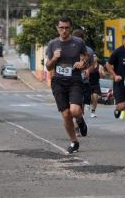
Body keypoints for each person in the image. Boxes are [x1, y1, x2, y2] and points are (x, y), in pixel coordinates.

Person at [46, 16, 89, 153]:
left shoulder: (78, 42)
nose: (64, 30)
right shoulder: (52, 44)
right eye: (61, 28)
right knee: (65, 114)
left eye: (66, 28)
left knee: (75, 111)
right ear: (57, 29)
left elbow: (86, 57)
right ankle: (74, 142)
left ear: (70, 28)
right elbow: (48, 67)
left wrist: (82, 63)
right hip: (58, 82)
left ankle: (80, 121)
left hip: (74, 80)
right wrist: (54, 58)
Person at [72, 29, 94, 137]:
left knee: (79, 105)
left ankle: (77, 127)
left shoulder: (89, 51)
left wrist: (88, 70)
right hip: (70, 81)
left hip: (83, 81)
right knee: (71, 107)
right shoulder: (68, 49)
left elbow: (93, 65)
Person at [89, 53, 105, 118]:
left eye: (95, 56)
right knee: (89, 98)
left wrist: (102, 73)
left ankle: (93, 111)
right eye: (92, 56)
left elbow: (103, 76)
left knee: (95, 98)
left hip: (95, 84)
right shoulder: (88, 65)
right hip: (88, 83)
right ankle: (87, 105)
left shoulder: (100, 66)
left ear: (97, 58)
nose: (94, 57)